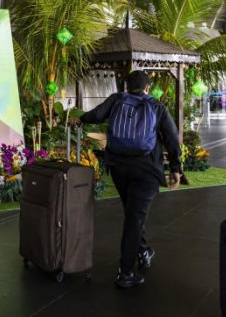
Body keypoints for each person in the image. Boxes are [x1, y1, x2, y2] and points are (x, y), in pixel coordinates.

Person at [71, 70, 182, 288]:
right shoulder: (157, 107)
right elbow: (171, 137)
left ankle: (142, 251)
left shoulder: (117, 100)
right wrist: (175, 168)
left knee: (133, 214)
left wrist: (79, 119)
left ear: (126, 85)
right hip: (146, 170)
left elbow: (96, 114)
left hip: (119, 167)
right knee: (134, 218)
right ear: (147, 88)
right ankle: (126, 272)